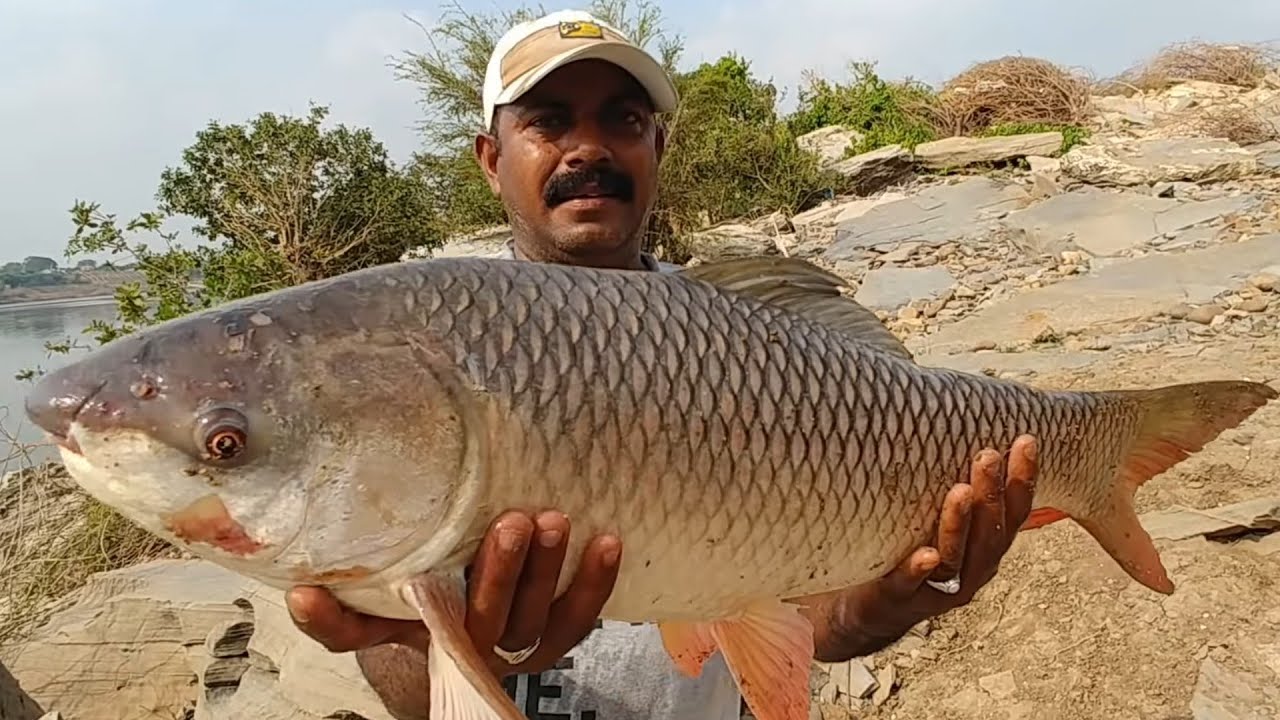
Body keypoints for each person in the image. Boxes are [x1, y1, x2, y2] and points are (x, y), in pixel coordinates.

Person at [283, 9, 1040, 719]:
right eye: (548, 121)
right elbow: (408, 691)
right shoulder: (424, 353)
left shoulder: (757, 340)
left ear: (657, 148)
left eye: (624, 118)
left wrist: (882, 606)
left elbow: (815, 620)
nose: (589, 147)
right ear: (490, 158)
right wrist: (434, 641)